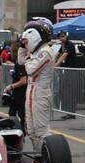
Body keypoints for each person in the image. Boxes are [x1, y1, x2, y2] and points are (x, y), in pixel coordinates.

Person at [20, 17, 62, 155]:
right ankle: (38, 156)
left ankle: (49, 156)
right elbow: (21, 61)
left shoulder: (45, 52)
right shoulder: (37, 52)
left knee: (41, 130)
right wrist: (22, 47)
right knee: (31, 130)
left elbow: (30, 70)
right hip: (31, 92)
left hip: (41, 93)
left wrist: (27, 57)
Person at [4, 40, 28, 132]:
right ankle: (15, 130)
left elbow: (23, 80)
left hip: (21, 92)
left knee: (21, 114)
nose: (10, 53)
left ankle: (21, 132)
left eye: (11, 51)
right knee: (12, 113)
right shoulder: (17, 63)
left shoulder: (20, 64)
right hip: (17, 93)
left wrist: (11, 86)